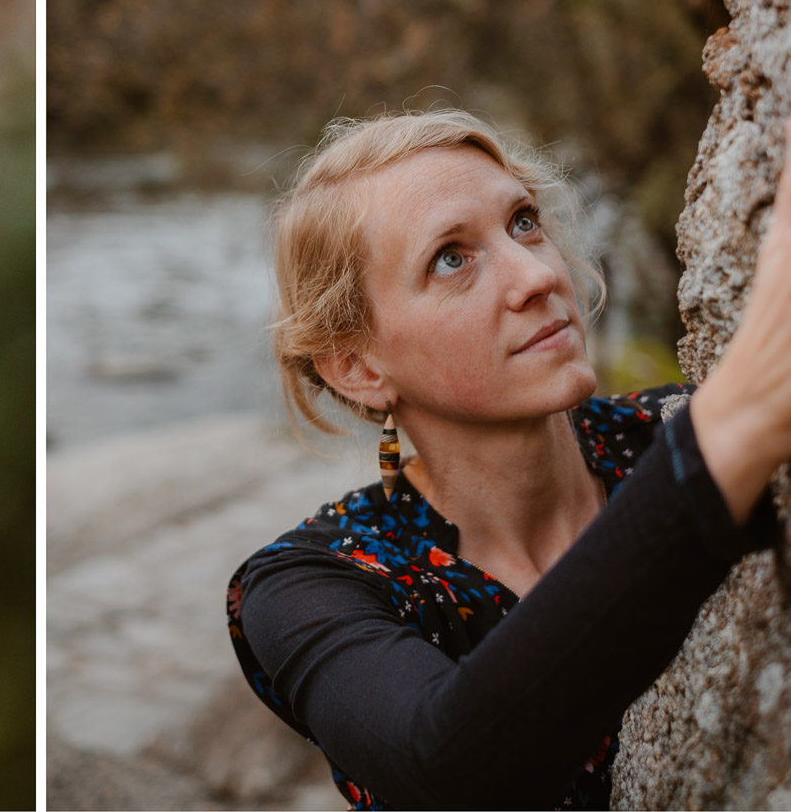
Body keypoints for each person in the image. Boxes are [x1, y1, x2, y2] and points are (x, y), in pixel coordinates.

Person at [227, 109, 789, 809]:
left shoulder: (678, 430)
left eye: (524, 221)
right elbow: (446, 763)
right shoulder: (309, 586)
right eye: (451, 258)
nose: (535, 274)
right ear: (356, 366)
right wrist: (739, 422)